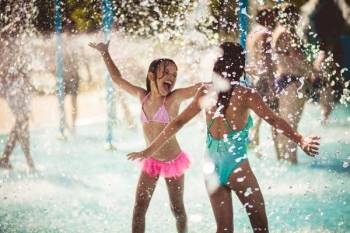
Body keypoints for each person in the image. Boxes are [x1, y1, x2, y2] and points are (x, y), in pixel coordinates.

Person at [128, 42, 320, 233]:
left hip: (211, 169)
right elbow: (274, 120)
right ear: (239, 65)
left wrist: (148, 151)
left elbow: (177, 123)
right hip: (237, 169)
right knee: (260, 227)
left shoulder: (206, 92)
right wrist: (300, 139)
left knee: (224, 228)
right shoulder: (247, 95)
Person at [90, 41, 206, 233]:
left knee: (177, 209)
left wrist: (223, 80)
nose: (172, 77)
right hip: (151, 161)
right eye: (166, 72)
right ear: (151, 75)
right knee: (139, 208)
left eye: (174, 74)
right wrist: (105, 53)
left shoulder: (174, 98)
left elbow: (196, 87)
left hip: (173, 161)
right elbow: (117, 79)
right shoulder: (141, 96)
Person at [272, 4, 315, 163]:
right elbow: (297, 58)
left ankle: (283, 161)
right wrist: (312, 70)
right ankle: (291, 163)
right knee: (291, 127)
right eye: (295, 15)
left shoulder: (277, 32)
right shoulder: (287, 33)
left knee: (285, 125)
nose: (297, 19)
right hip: (291, 81)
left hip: (284, 80)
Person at [246, 7, 279, 156]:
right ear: (268, 18)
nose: (275, 20)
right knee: (274, 117)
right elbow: (266, 61)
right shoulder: (266, 34)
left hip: (254, 78)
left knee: (256, 116)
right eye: (273, 17)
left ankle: (256, 149)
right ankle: (280, 152)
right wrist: (272, 86)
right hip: (265, 78)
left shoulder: (252, 33)